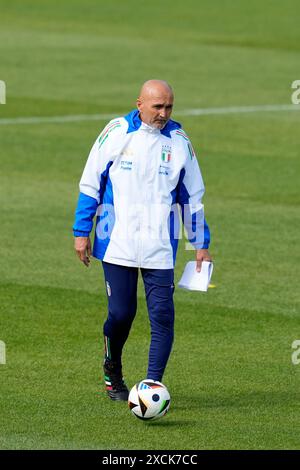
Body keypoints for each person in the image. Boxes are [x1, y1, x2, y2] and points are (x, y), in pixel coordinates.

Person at [73, 80, 212, 401]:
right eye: (157, 107)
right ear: (139, 104)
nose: (163, 113)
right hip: (116, 241)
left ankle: (151, 387)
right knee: (121, 314)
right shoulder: (117, 131)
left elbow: (192, 197)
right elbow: (90, 182)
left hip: (160, 246)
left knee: (163, 317)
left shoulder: (179, 142)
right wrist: (81, 232)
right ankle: (113, 369)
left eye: (169, 107)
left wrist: (200, 243)